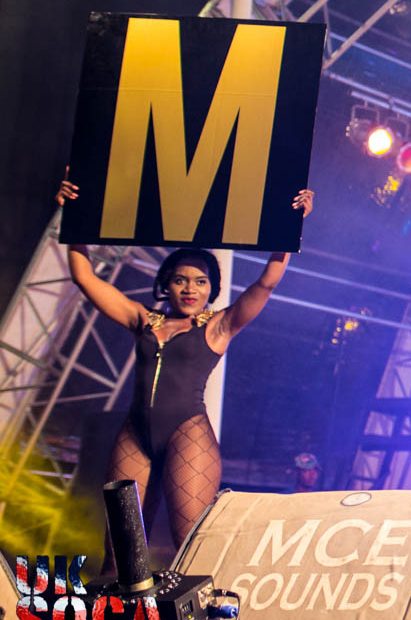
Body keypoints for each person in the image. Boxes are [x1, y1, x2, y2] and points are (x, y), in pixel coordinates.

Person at [56, 177, 312, 548]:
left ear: (211, 288)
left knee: (190, 541)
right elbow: (84, 277)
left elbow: (266, 283)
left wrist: (292, 224)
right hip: (134, 434)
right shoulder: (142, 319)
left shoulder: (219, 325)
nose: (190, 289)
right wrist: (74, 216)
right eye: (180, 280)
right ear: (167, 284)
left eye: (200, 281)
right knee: (122, 548)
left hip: (188, 434)